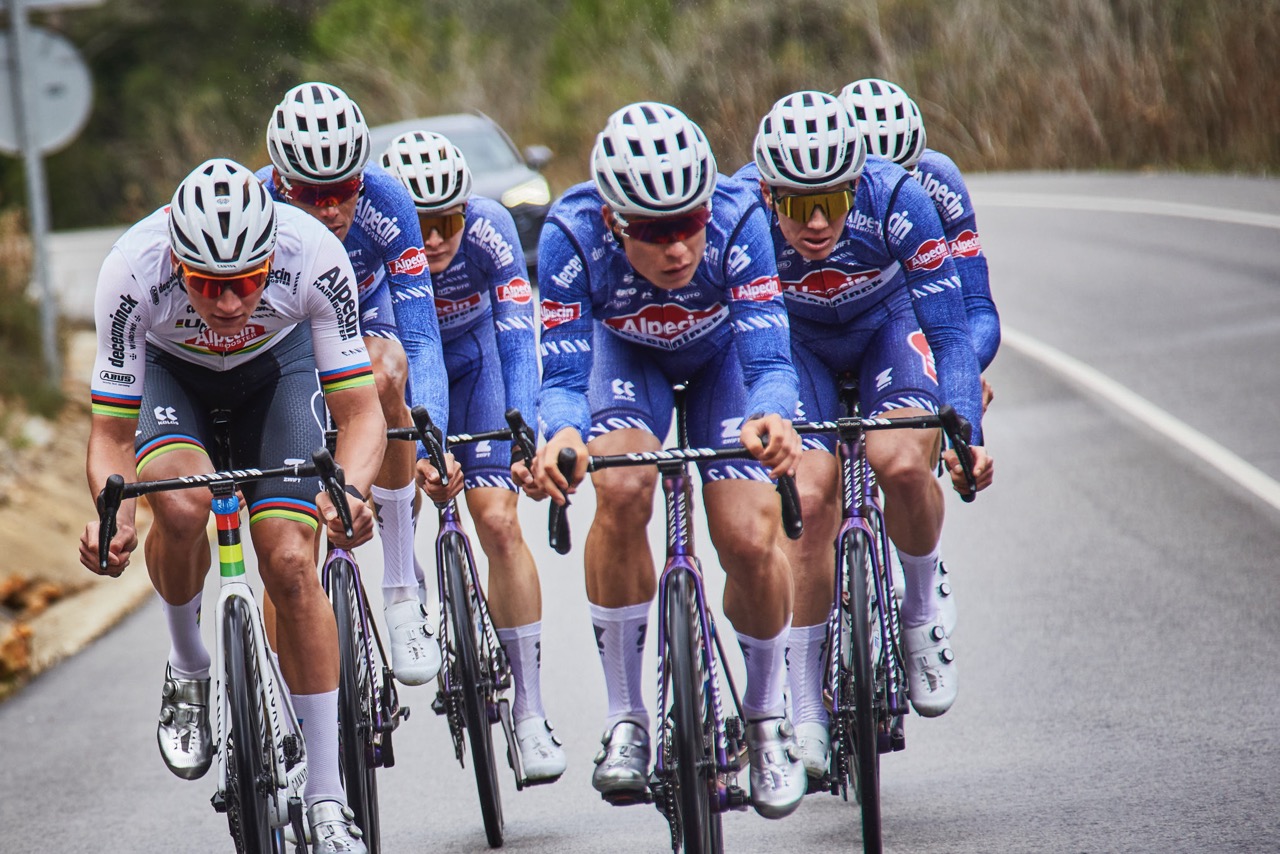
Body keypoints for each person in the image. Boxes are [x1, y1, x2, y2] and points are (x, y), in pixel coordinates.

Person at [80, 158, 381, 852]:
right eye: (208, 285)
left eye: (245, 283)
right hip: (172, 379)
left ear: (269, 259)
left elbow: (361, 414)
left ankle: (330, 796)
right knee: (180, 509)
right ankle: (188, 668)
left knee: (290, 561)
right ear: (176, 260)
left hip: (277, 377)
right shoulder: (131, 268)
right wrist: (113, 515)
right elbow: (109, 435)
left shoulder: (313, 254)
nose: (226, 303)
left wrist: (354, 492)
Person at [530, 102, 807, 819]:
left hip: (723, 364)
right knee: (621, 489)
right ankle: (627, 718)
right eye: (654, 233)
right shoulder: (570, 233)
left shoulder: (742, 220)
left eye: (689, 224)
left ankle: (766, 718)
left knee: (747, 536)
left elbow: (772, 359)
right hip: (626, 361)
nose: (678, 249)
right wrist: (560, 438)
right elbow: (561, 383)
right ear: (614, 222)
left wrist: (776, 416)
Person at [736, 91, 994, 781]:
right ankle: (806, 708)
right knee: (811, 502)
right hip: (797, 345)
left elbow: (950, 329)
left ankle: (920, 609)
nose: (817, 223)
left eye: (834, 201)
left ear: (858, 182)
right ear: (767, 191)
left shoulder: (900, 195)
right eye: (795, 205)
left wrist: (963, 428)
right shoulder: (740, 211)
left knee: (901, 460)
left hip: (886, 329)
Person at [379, 129, 565, 781]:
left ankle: (532, 714)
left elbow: (518, 343)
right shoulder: (375, 247)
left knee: (499, 522)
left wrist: (523, 435)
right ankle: (409, 577)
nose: (432, 239)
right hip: (400, 380)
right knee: (399, 474)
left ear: (466, 208)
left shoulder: (490, 231)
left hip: (478, 362)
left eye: (446, 220)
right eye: (419, 223)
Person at [259, 81, 453, 688]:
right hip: (284, 338)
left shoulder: (390, 200)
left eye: (343, 192)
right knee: (287, 551)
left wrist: (432, 444)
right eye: (312, 196)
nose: (329, 210)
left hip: (362, 323)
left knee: (387, 368)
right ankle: (290, 704)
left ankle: (400, 589)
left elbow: (422, 338)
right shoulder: (253, 207)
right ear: (279, 183)